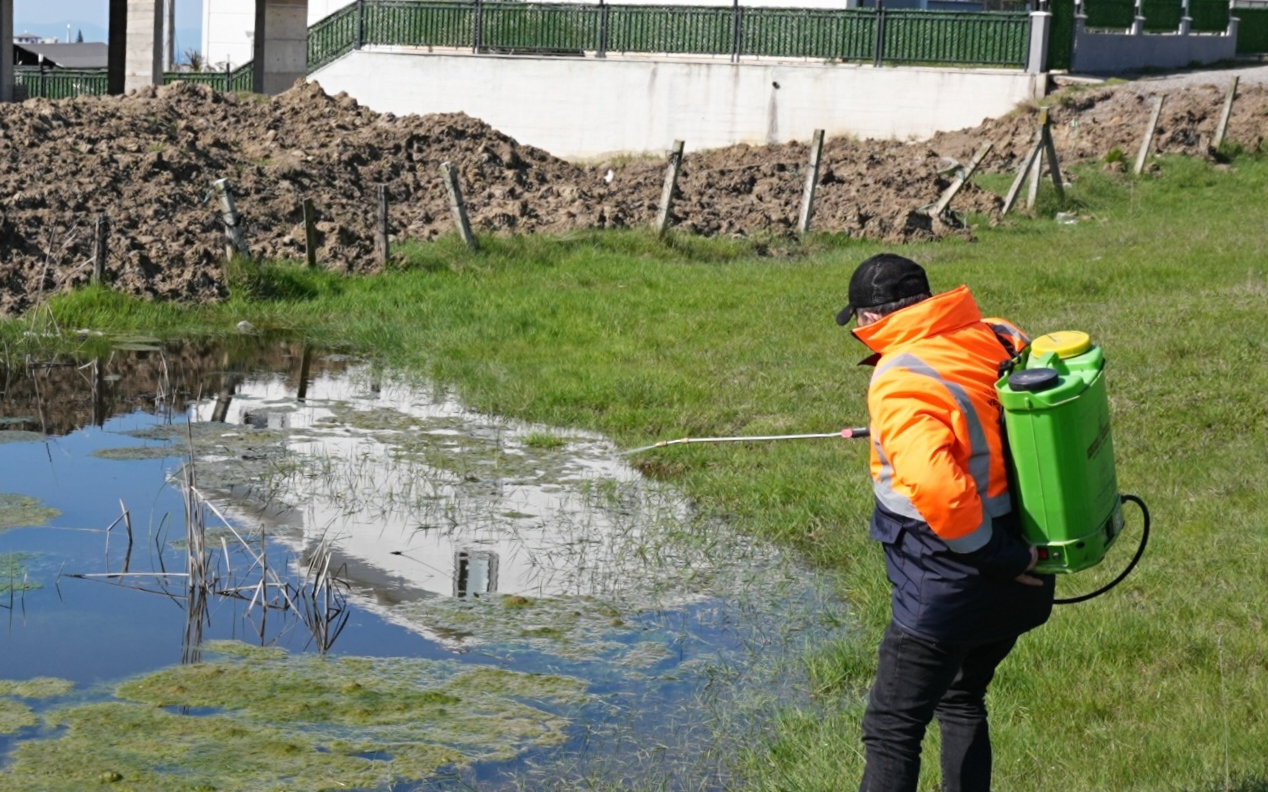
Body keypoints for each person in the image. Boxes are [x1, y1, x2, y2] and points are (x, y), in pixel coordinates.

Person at [836, 253, 1054, 792]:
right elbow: (988, 414)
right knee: (962, 698)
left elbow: (937, 485)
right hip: (1029, 559)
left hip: (953, 579)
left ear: (869, 320)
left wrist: (998, 558)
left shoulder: (900, 376)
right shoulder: (1001, 336)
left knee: (891, 730)